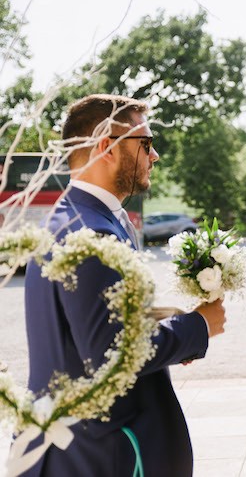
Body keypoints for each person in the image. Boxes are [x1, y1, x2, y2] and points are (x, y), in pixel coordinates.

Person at [21, 94, 226, 477]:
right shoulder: (90, 234)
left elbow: (89, 329)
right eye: (145, 143)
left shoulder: (77, 217)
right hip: (102, 453)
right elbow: (110, 354)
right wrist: (199, 325)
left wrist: (160, 321)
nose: (155, 156)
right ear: (106, 148)